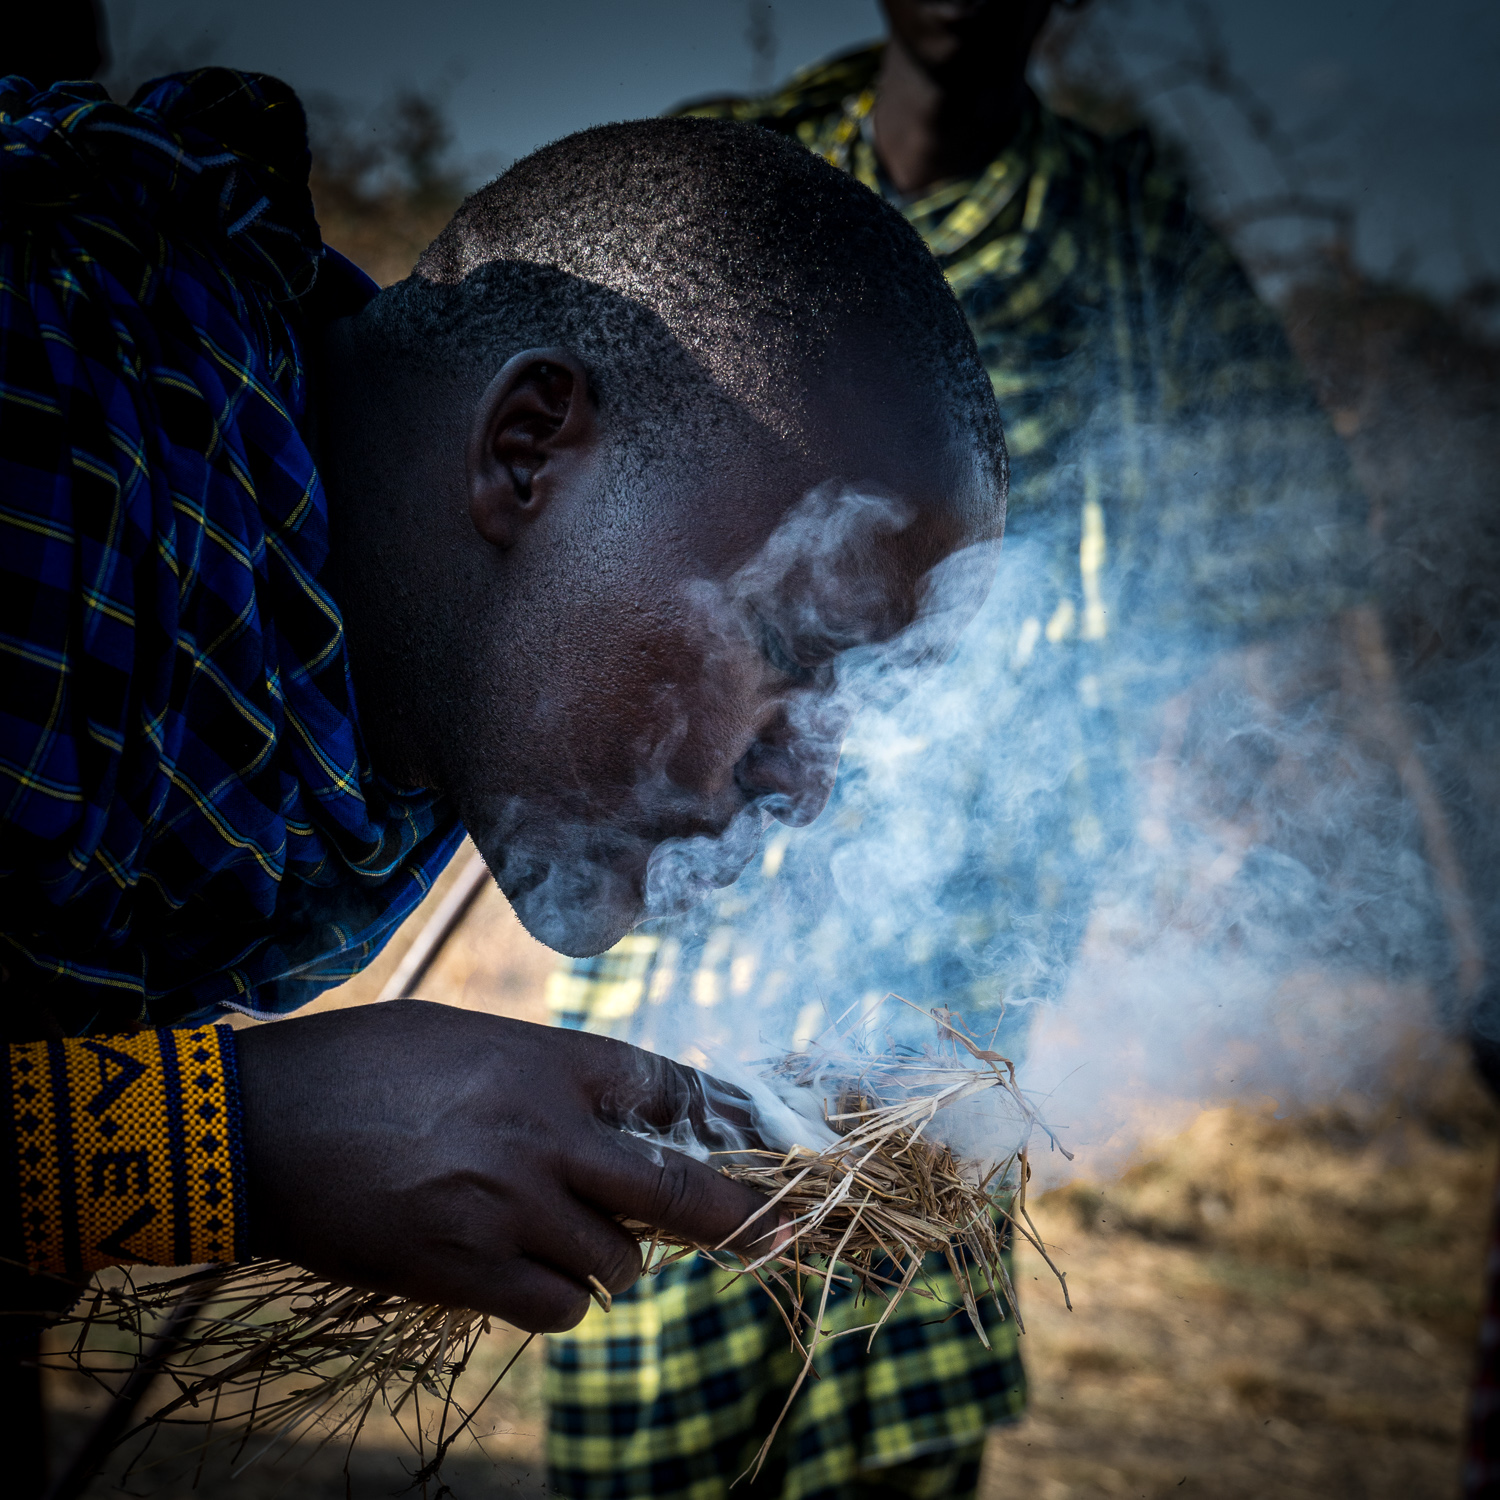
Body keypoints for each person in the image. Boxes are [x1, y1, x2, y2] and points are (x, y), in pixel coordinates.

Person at [0, 63, 1007, 1490]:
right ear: (527, 451)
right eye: (788, 642)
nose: (806, 787)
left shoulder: (335, 718)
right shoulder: (40, 441)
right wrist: (234, 1138)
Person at [540, 4, 1477, 1499]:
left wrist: (1432, 915)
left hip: (967, 933)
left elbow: (1284, 566)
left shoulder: (1127, 242)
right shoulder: (729, 179)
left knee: (889, 1361)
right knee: (650, 1320)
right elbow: (563, 506)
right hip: (684, 870)